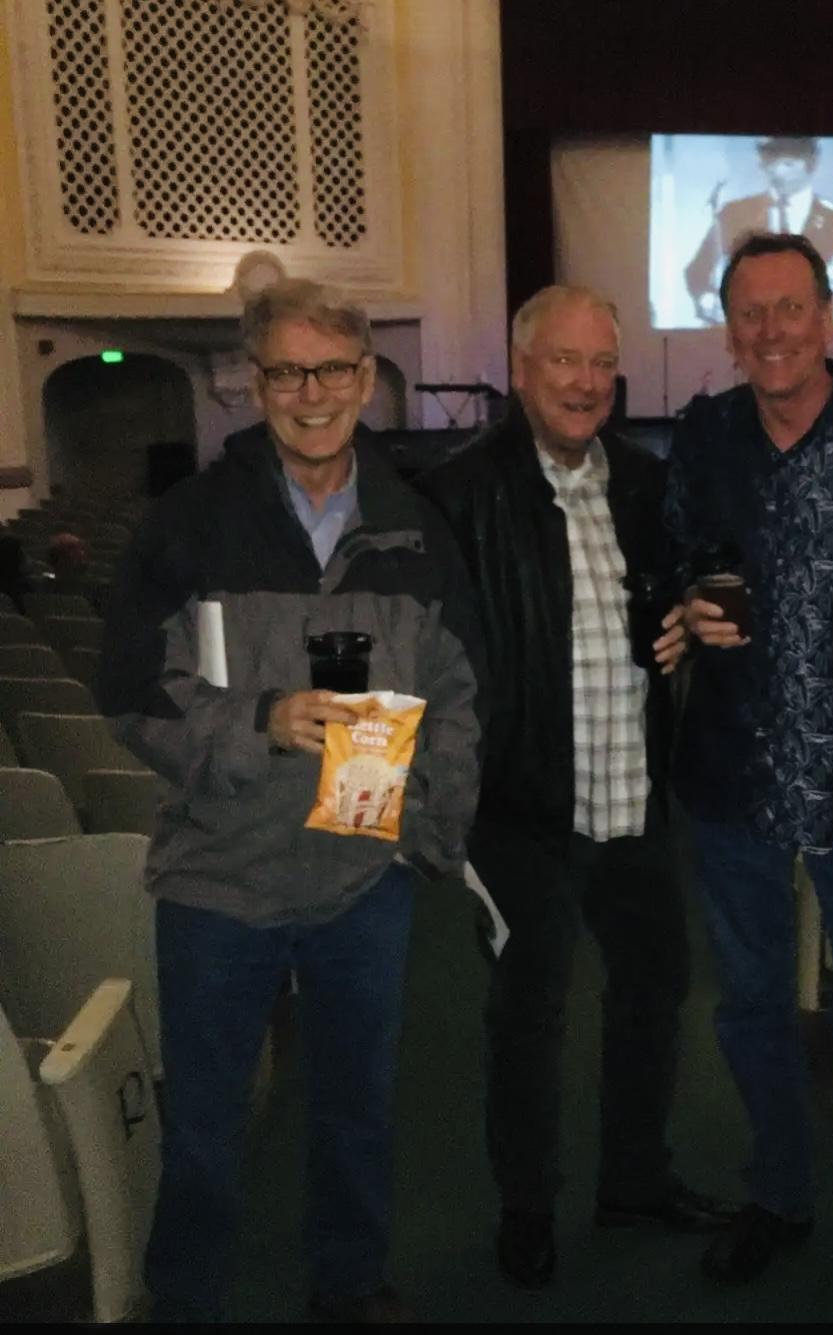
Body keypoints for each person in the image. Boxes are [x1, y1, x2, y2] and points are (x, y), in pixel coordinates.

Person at [97, 279, 486, 1324]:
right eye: (286, 372)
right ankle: (187, 1299)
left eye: (331, 370)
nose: (310, 393)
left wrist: (425, 831)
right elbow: (129, 690)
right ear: (255, 384)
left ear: (366, 380)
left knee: (357, 1110)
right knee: (206, 1127)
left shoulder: (417, 530)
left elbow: (459, 696)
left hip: (362, 876)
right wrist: (258, 720)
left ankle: (347, 1283)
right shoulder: (188, 523)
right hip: (219, 880)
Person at [420, 284, 731, 1292]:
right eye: (565, 360)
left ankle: (634, 1181)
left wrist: (691, 614)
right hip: (521, 809)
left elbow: (686, 588)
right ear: (521, 370)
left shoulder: (645, 482)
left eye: (602, 363)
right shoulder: (459, 494)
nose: (587, 382)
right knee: (531, 1015)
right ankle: (527, 1207)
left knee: (653, 990)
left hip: (632, 796)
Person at [664, 232, 833, 1283]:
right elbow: (674, 556)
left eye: (790, 307)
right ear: (729, 331)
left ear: (828, 317)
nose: (771, 330)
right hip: (733, 767)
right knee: (753, 1004)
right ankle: (779, 1192)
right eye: (750, 312)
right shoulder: (705, 433)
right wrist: (683, 601)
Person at [685, 137, 833, 324]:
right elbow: (697, 271)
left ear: (810, 165)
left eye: (788, 164)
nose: (778, 172)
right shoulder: (733, 213)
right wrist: (708, 301)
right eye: (772, 163)